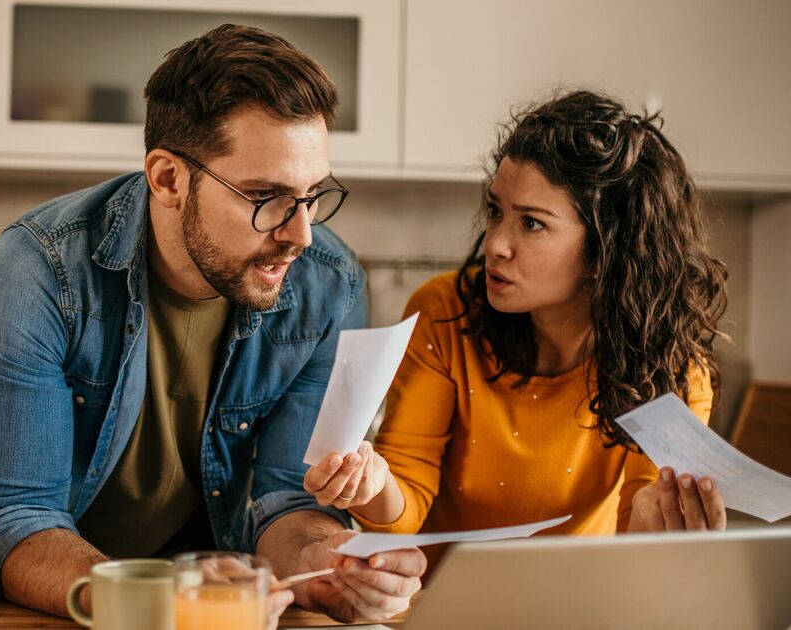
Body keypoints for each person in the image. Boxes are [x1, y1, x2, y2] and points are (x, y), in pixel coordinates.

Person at [0, 24, 424, 625]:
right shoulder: (41, 270)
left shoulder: (328, 286)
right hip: (66, 608)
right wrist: (154, 595)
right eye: (266, 196)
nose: (301, 234)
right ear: (168, 179)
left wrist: (323, 565)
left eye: (313, 194)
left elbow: (285, 498)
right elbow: (13, 518)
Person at [304, 90, 730, 567]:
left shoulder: (669, 367)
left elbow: (639, 525)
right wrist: (371, 482)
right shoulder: (445, 313)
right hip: (438, 603)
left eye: (531, 223)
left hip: (575, 603)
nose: (495, 244)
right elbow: (407, 503)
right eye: (495, 212)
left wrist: (657, 524)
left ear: (607, 251)